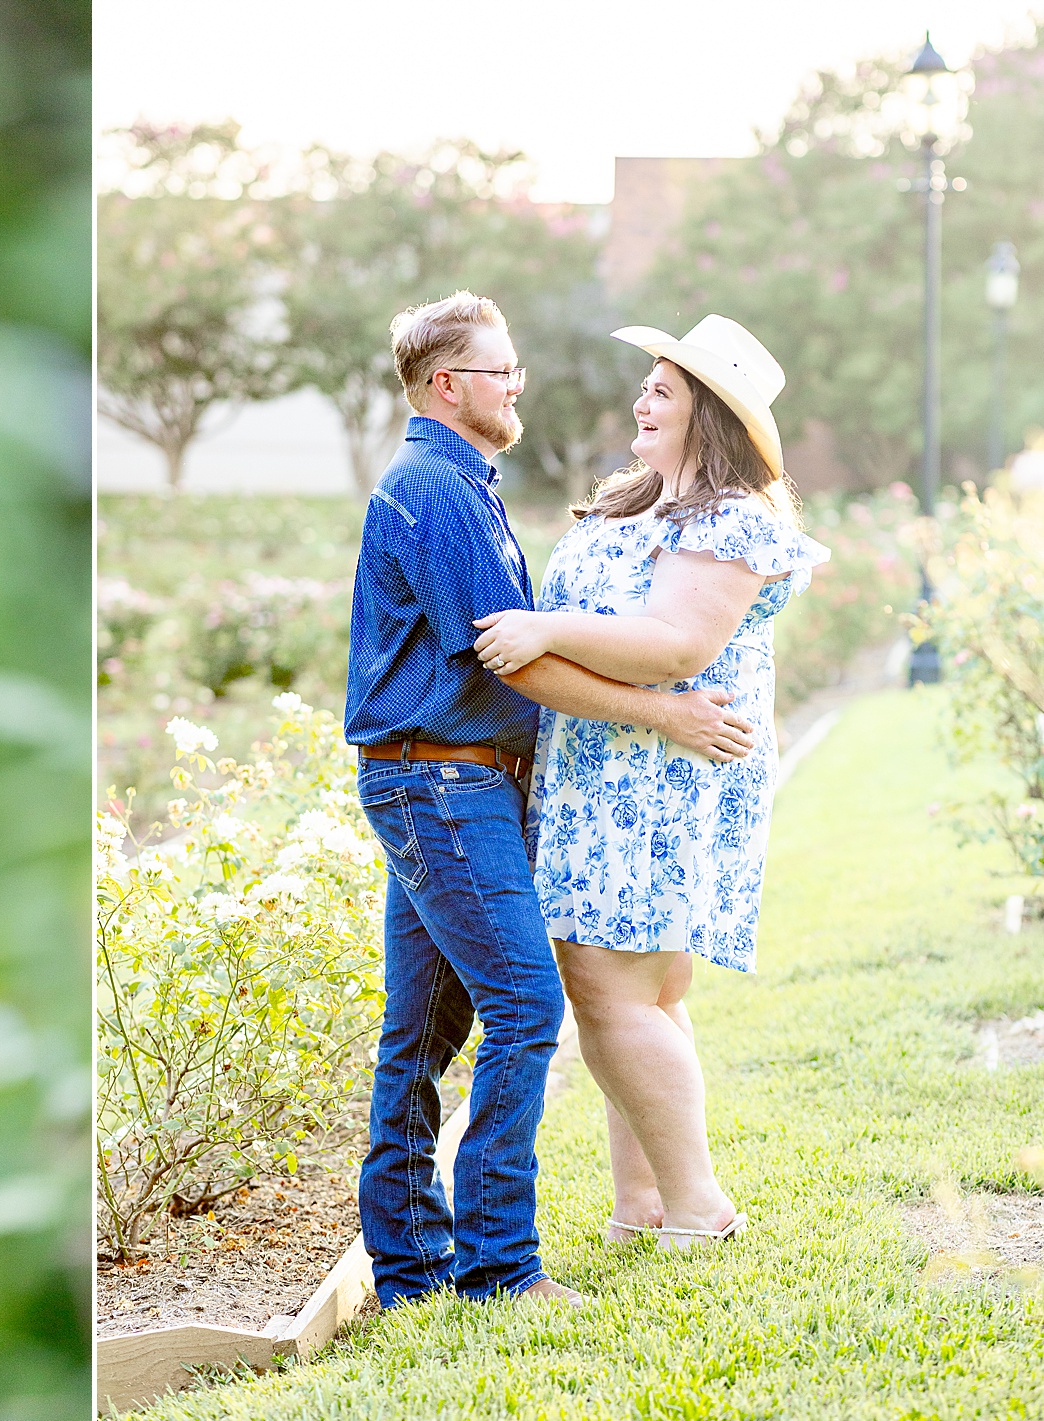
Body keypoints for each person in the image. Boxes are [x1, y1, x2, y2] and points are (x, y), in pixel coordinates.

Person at [348, 293, 758, 1307]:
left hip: (440, 776)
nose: (517, 383)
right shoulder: (436, 490)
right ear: (450, 385)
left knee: (422, 1029)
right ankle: (500, 1268)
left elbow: (524, 647)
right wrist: (660, 715)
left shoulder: (456, 482)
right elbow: (509, 659)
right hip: (441, 778)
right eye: (503, 369)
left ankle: (407, 1269)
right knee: (525, 1004)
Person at [471, 315, 829, 1249]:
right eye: (648, 384)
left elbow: (680, 644)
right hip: (606, 770)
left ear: (706, 415)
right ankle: (644, 1207)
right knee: (645, 996)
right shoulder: (642, 501)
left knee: (610, 990)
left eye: (662, 390)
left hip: (658, 780)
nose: (642, 399)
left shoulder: (732, 516)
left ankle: (699, 1207)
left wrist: (543, 631)